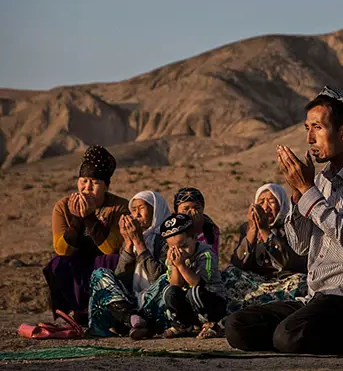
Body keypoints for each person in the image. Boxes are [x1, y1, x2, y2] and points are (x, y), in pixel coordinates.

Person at [225, 86, 343, 356]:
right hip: (316, 296)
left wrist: (309, 191)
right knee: (237, 326)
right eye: (306, 128)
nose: (309, 138)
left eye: (317, 128)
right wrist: (300, 195)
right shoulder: (320, 180)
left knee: (289, 335)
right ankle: (307, 337)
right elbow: (299, 245)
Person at [44, 145, 129, 324]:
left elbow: (112, 248)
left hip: (104, 264)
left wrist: (90, 218)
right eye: (83, 181)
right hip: (77, 261)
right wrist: (76, 219)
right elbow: (62, 250)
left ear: (106, 186)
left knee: (108, 261)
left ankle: (110, 312)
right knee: (58, 263)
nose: (87, 188)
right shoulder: (63, 206)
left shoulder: (120, 207)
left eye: (95, 182)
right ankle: (71, 313)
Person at [88, 190, 171, 339]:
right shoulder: (131, 239)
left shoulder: (167, 239)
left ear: (156, 210)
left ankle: (140, 324)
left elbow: (157, 277)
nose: (136, 214)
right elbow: (121, 278)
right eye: (133, 210)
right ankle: (131, 318)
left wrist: (139, 244)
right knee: (99, 274)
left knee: (167, 279)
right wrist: (128, 243)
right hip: (131, 302)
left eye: (141, 208)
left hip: (154, 303)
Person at [222, 183, 307, 313]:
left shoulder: (292, 225)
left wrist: (265, 231)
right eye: (261, 202)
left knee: (302, 282)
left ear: (281, 204)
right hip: (258, 283)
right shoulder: (247, 228)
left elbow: (287, 262)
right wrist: (252, 232)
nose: (266, 207)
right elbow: (238, 264)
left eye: (271, 202)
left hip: (284, 283)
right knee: (229, 274)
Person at [161, 213, 226, 339]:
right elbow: (176, 285)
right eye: (173, 248)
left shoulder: (206, 254)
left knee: (195, 292)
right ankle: (182, 325)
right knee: (169, 291)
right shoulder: (172, 258)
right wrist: (175, 266)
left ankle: (212, 324)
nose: (179, 251)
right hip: (190, 305)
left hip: (211, 301)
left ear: (195, 237)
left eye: (184, 246)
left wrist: (181, 266)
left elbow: (198, 283)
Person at [172, 187, 220, 257]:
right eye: (186, 209)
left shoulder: (210, 229)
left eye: (197, 208)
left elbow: (212, 255)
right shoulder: (170, 229)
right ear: (176, 212)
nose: (193, 212)